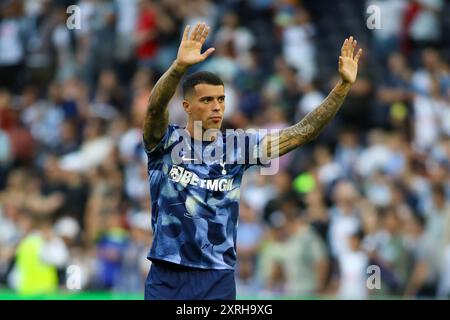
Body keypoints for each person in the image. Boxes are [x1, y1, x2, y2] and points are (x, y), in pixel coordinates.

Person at [142, 22, 362, 300]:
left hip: (217, 277)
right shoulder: (165, 142)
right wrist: (177, 68)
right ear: (187, 106)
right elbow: (153, 110)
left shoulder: (238, 148)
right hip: (168, 272)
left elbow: (302, 132)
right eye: (207, 100)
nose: (217, 107)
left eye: (221, 99)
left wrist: (342, 87)